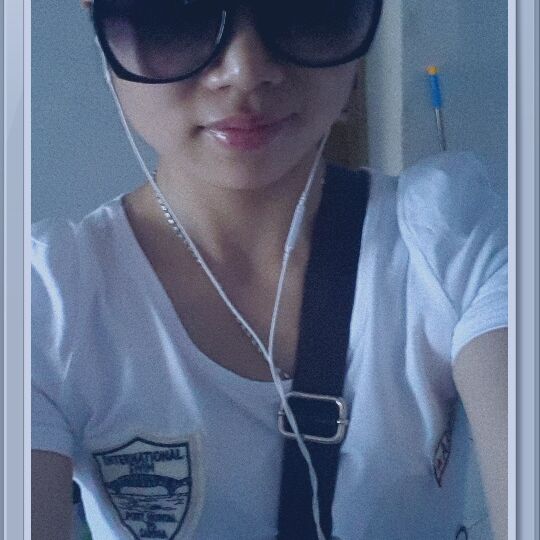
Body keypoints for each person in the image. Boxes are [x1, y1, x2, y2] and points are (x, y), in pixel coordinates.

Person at [31, 0, 508, 539]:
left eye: (305, 10)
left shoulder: (450, 241)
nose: (246, 70)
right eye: (174, 15)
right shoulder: (47, 304)